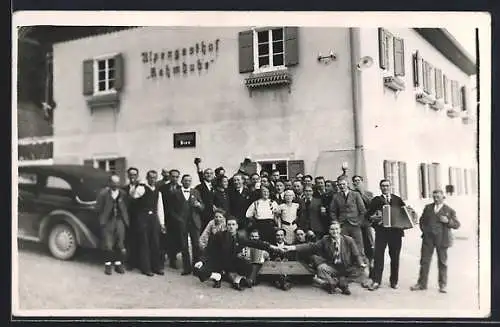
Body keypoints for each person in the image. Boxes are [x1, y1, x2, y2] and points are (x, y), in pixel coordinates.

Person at [193, 218, 279, 290]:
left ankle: (236, 279)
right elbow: (209, 250)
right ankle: (217, 276)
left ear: (237, 226)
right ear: (226, 226)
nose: (231, 227)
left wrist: (272, 247)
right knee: (198, 270)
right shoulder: (219, 236)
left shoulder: (240, 237)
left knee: (248, 266)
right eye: (229, 225)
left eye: (233, 224)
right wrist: (201, 261)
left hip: (232, 262)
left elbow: (255, 243)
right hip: (219, 262)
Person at [284, 221, 367, 295]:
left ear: (340, 230)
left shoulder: (348, 240)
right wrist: (293, 247)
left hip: (346, 267)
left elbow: (356, 254)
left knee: (362, 270)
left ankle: (340, 282)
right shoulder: (325, 239)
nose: (335, 231)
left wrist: (361, 263)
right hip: (333, 267)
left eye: (336, 229)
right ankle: (339, 283)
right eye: (332, 229)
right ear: (329, 231)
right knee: (321, 268)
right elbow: (311, 246)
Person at [411, 190, 460, 293]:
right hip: (428, 239)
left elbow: (457, 224)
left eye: (438, 197)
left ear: (443, 197)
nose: (436, 199)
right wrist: (425, 230)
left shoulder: (449, 210)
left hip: (442, 240)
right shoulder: (428, 208)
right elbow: (422, 221)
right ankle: (421, 284)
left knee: (442, 262)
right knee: (424, 261)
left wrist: (448, 221)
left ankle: (443, 285)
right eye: (434, 197)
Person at [365, 179, 406, 291]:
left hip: (396, 233)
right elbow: (368, 215)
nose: (385, 188)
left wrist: (406, 221)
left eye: (387, 186)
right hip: (381, 232)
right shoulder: (376, 200)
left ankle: (394, 281)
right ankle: (376, 281)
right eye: (383, 186)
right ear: (380, 187)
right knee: (378, 257)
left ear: (390, 187)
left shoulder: (397, 199)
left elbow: (405, 213)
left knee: (395, 257)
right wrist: (375, 219)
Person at [130, 170, 165, 277]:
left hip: (154, 218)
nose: (153, 179)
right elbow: (133, 195)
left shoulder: (158, 191)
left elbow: (160, 207)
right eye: (151, 177)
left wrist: (162, 223)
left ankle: (156, 267)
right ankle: (146, 268)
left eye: (155, 177)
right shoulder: (141, 188)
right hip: (143, 218)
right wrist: (136, 185)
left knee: (155, 243)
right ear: (147, 178)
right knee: (144, 243)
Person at [170, 174, 205, 276]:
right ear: (181, 181)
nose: (187, 182)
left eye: (189, 180)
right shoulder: (175, 193)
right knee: (184, 246)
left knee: (196, 245)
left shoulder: (196, 192)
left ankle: (196, 268)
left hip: (194, 222)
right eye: (185, 180)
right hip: (182, 223)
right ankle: (187, 268)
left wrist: (198, 205)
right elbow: (172, 210)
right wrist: (178, 219)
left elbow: (203, 207)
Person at [329, 175, 367, 263]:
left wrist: (359, 222)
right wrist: (335, 222)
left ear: (348, 184)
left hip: (355, 225)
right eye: (339, 185)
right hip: (342, 225)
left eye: (343, 184)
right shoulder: (336, 196)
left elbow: (362, 210)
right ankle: (346, 266)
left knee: (358, 246)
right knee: (343, 246)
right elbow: (332, 211)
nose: (342, 186)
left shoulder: (355, 194)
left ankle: (361, 265)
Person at [96, 174, 130, 275]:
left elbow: (126, 206)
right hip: (108, 221)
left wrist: (125, 219)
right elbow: (98, 208)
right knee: (108, 243)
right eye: (113, 182)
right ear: (110, 183)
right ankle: (108, 265)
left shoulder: (123, 194)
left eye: (117, 182)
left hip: (119, 220)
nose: (115, 185)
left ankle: (118, 264)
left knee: (119, 242)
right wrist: (103, 218)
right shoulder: (103, 194)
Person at [352, 175, 375, 278]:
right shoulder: (351, 194)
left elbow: (371, 206)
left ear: (362, 182)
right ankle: (359, 270)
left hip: (366, 223)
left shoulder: (368, 194)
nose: (357, 182)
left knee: (369, 245)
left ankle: (372, 269)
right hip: (355, 223)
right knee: (357, 246)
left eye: (358, 180)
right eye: (355, 181)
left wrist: (361, 193)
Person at [159, 169, 182, 269]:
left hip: (177, 218)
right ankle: (162, 258)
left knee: (175, 239)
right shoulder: (163, 188)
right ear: (169, 177)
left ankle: (173, 258)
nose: (175, 178)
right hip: (166, 216)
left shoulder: (181, 188)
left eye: (177, 177)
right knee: (164, 238)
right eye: (173, 176)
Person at [123, 167, 140, 271]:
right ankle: (130, 262)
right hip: (128, 217)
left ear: (137, 176)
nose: (132, 177)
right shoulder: (124, 189)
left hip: (139, 217)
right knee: (129, 240)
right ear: (128, 176)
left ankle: (139, 261)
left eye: (134, 175)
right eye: (131, 175)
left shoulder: (141, 188)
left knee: (139, 240)